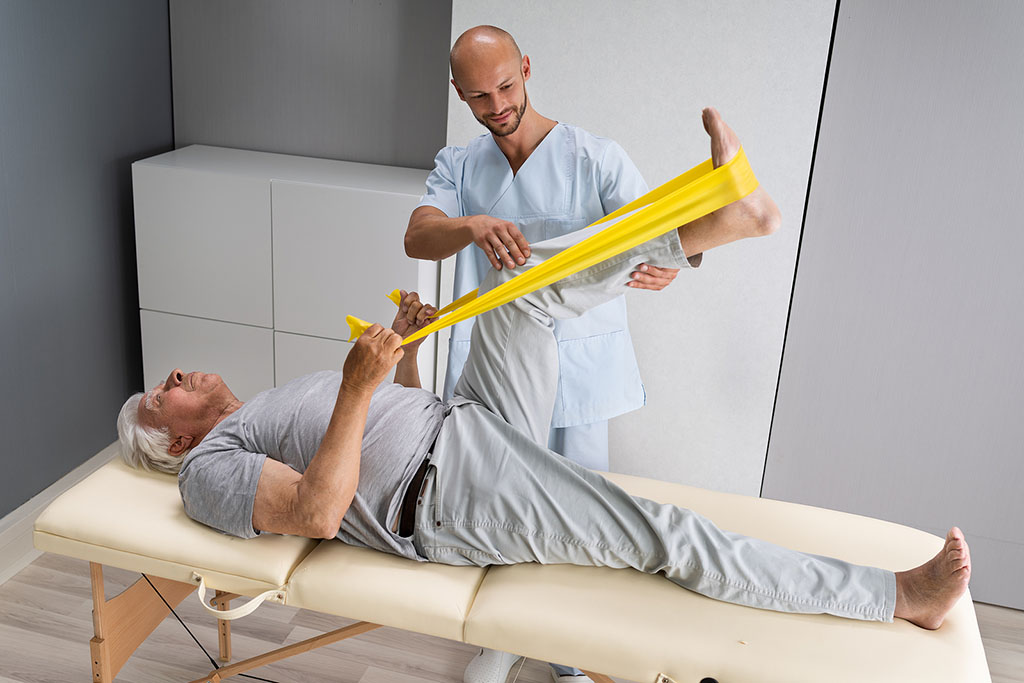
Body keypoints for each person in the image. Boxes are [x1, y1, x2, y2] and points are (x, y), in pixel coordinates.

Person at [116, 122, 970, 648]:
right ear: (175, 439)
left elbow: (380, 419)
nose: (180, 373)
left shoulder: (260, 406)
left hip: (464, 417)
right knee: (662, 531)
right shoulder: (209, 469)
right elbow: (318, 511)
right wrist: (353, 387)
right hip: (450, 489)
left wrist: (404, 357)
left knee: (517, 288)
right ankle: (896, 597)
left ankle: (709, 227)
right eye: (165, 391)